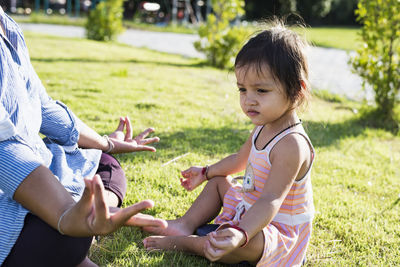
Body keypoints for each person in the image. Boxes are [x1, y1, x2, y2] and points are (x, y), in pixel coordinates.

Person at [0, 6, 167, 267]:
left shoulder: (6, 25)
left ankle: (96, 214)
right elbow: (4, 146)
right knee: (63, 238)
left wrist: (107, 143)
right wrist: (65, 215)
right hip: (10, 204)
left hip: (38, 172)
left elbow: (42, 106)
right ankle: (90, 220)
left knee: (105, 162)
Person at [143, 19, 315, 266]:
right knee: (218, 183)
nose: (249, 100)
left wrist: (241, 233)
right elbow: (238, 160)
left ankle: (189, 243)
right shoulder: (263, 126)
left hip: (276, 230)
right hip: (250, 208)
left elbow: (270, 201)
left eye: (261, 91)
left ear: (297, 91)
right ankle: (184, 225)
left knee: (238, 244)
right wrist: (205, 172)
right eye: (242, 90)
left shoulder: (292, 145)